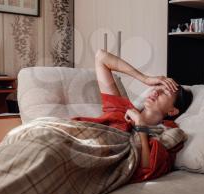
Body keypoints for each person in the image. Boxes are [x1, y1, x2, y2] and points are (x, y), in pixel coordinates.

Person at [73, 49, 193, 182]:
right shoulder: (121, 109)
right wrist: (145, 78)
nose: (156, 91)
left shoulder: (168, 134)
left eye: (165, 92)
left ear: (172, 111)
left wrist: (141, 125)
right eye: (157, 86)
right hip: (77, 138)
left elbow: (146, 168)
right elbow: (101, 57)